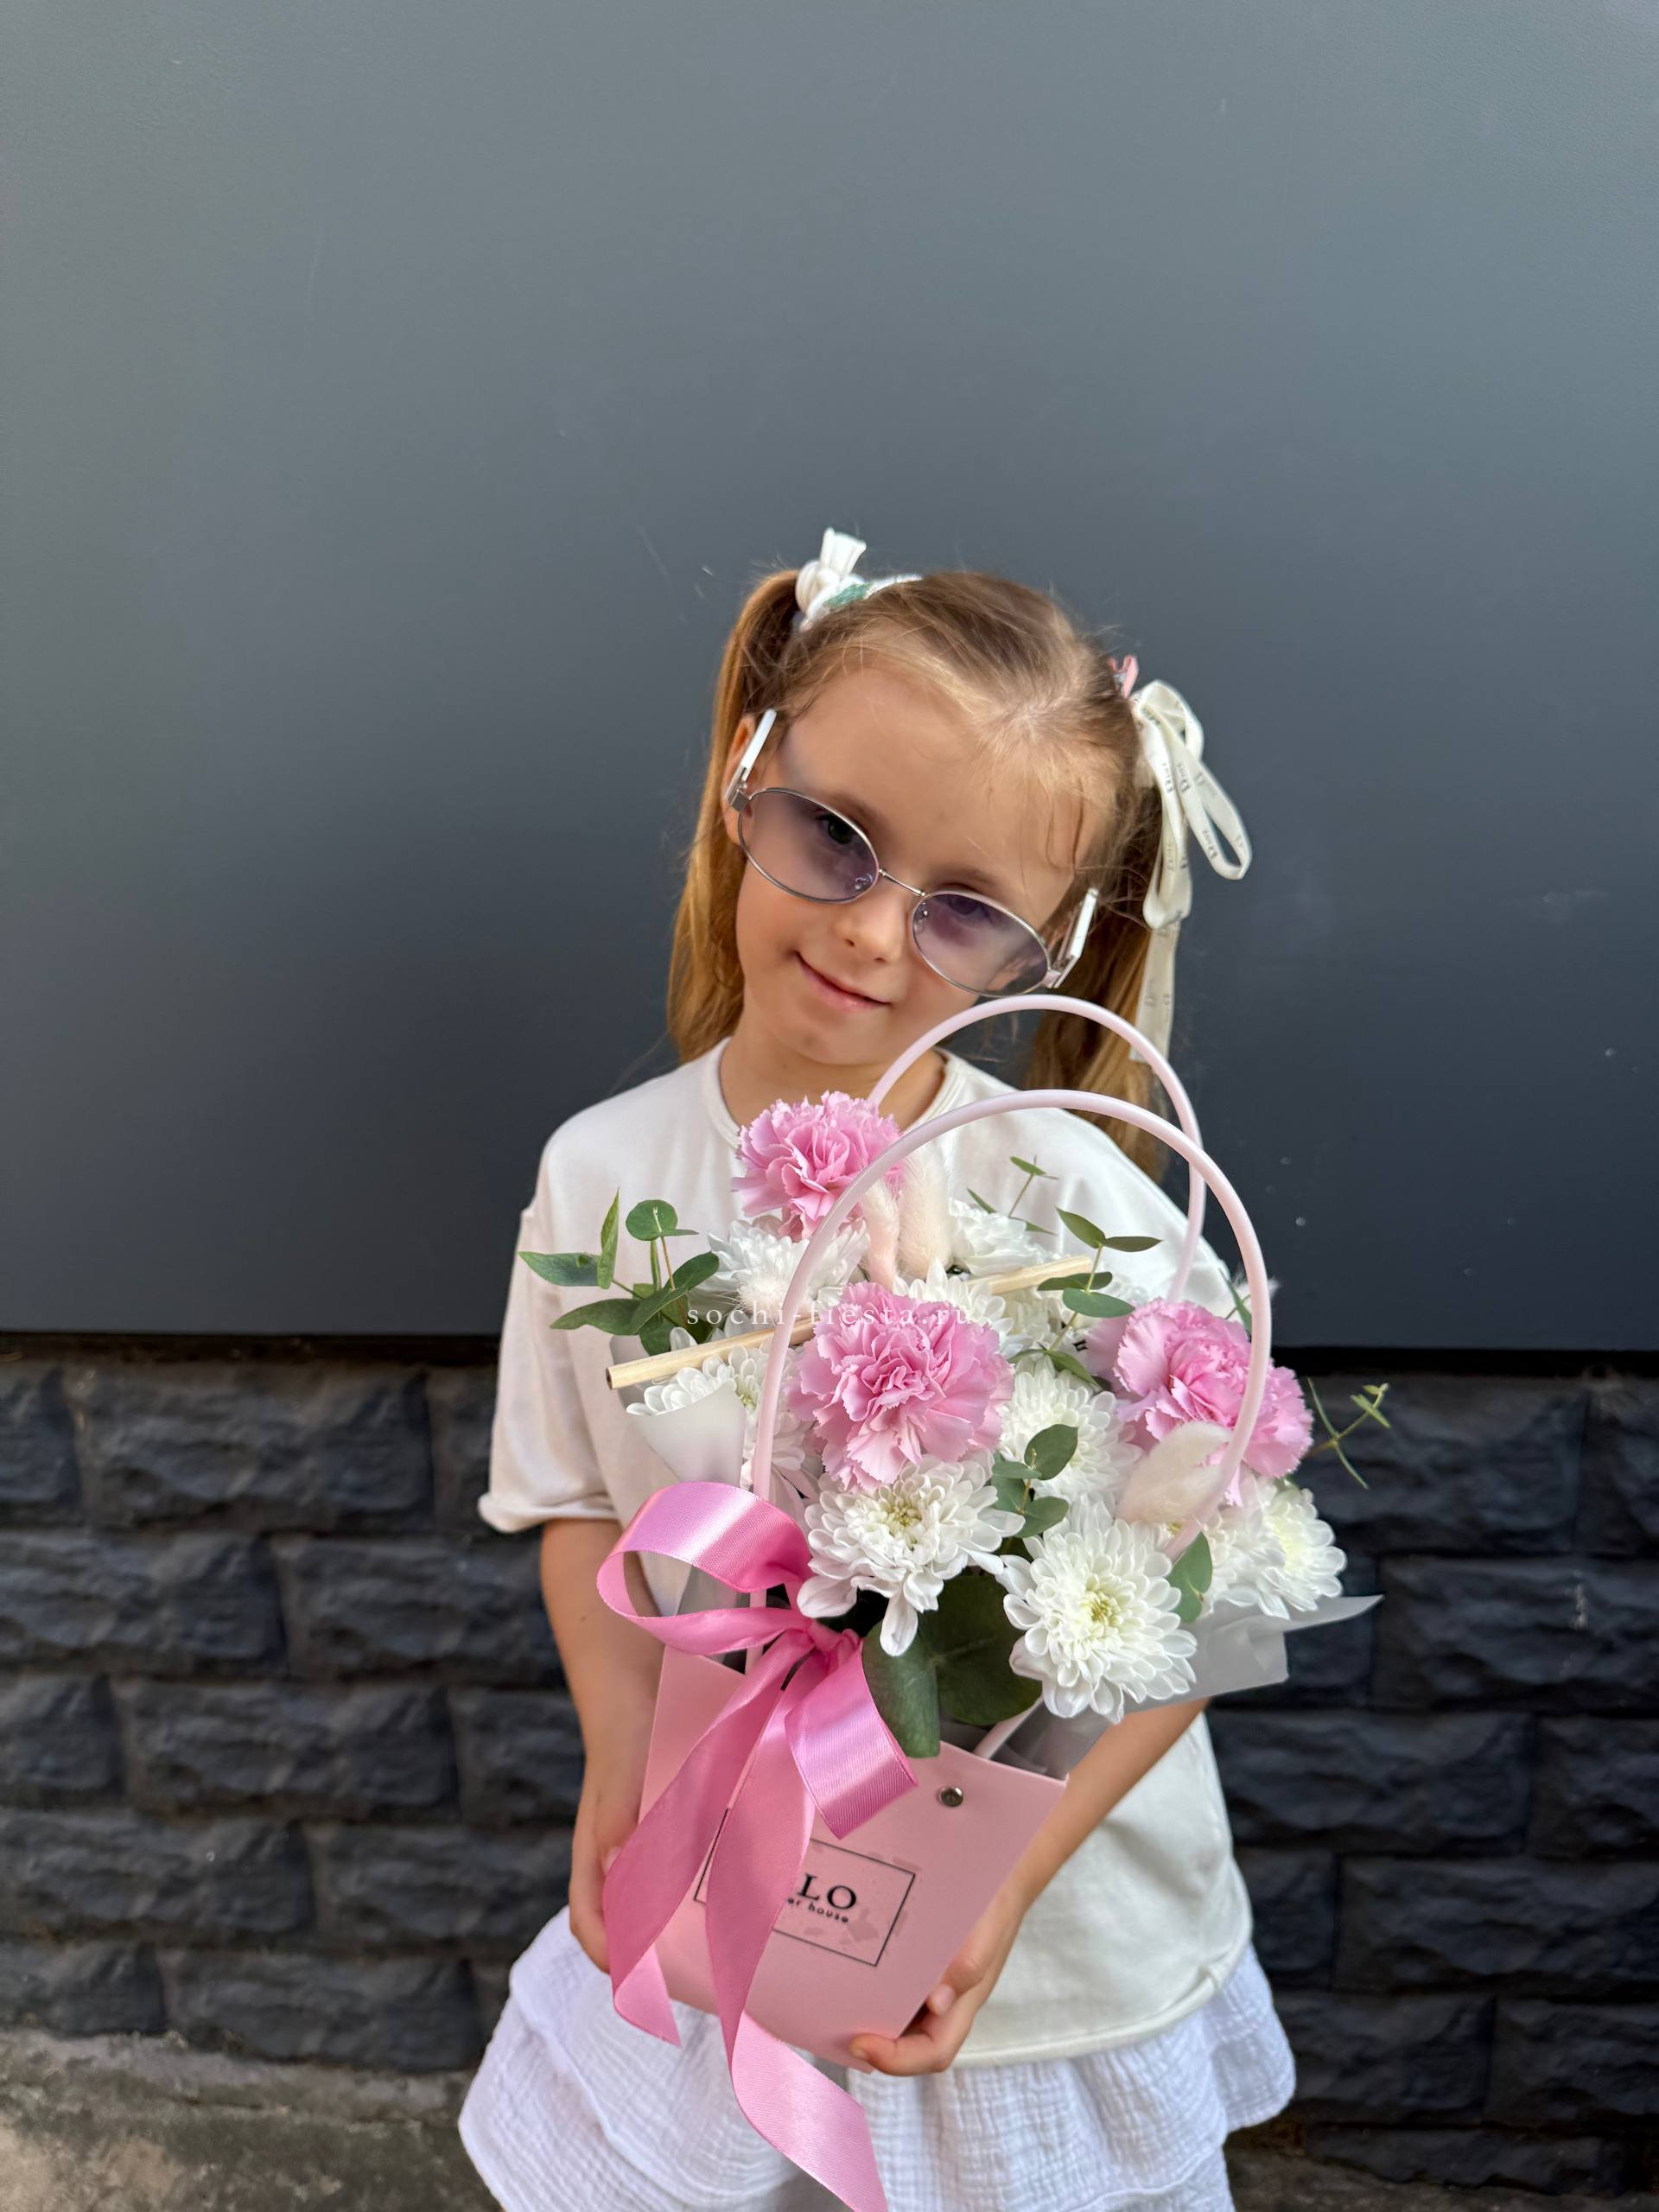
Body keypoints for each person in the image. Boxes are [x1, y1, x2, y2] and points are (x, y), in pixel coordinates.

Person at [458, 529, 1294, 2211]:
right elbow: (574, 1502)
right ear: (744, 774)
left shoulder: (1092, 1213)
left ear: (1050, 941)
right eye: (834, 835)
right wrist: (623, 1763)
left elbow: (1209, 1609)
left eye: (968, 908)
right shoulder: (604, 1178)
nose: (874, 931)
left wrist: (1012, 1878)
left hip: (1037, 1952)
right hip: (730, 1884)